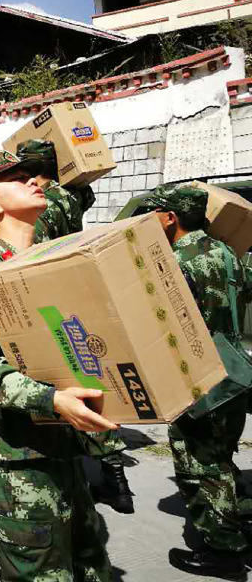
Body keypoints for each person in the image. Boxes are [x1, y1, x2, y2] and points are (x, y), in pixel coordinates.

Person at [0, 150, 115, 581]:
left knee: (91, 561)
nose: (33, 181)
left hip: (64, 447)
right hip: (16, 461)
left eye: (32, 175)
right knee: (40, 573)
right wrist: (51, 398)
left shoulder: (50, 262)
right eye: (16, 178)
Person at [135, 184, 250, 581]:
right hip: (235, 369)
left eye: (153, 214)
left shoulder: (176, 262)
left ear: (170, 218)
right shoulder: (228, 253)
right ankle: (238, 526)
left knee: (200, 464)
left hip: (199, 376)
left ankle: (224, 552)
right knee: (221, 455)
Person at [16, 139, 134, 515]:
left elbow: (35, 252)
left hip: (51, 295)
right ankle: (115, 476)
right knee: (89, 378)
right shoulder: (73, 195)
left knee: (67, 382)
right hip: (76, 290)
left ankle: (99, 476)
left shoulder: (42, 203)